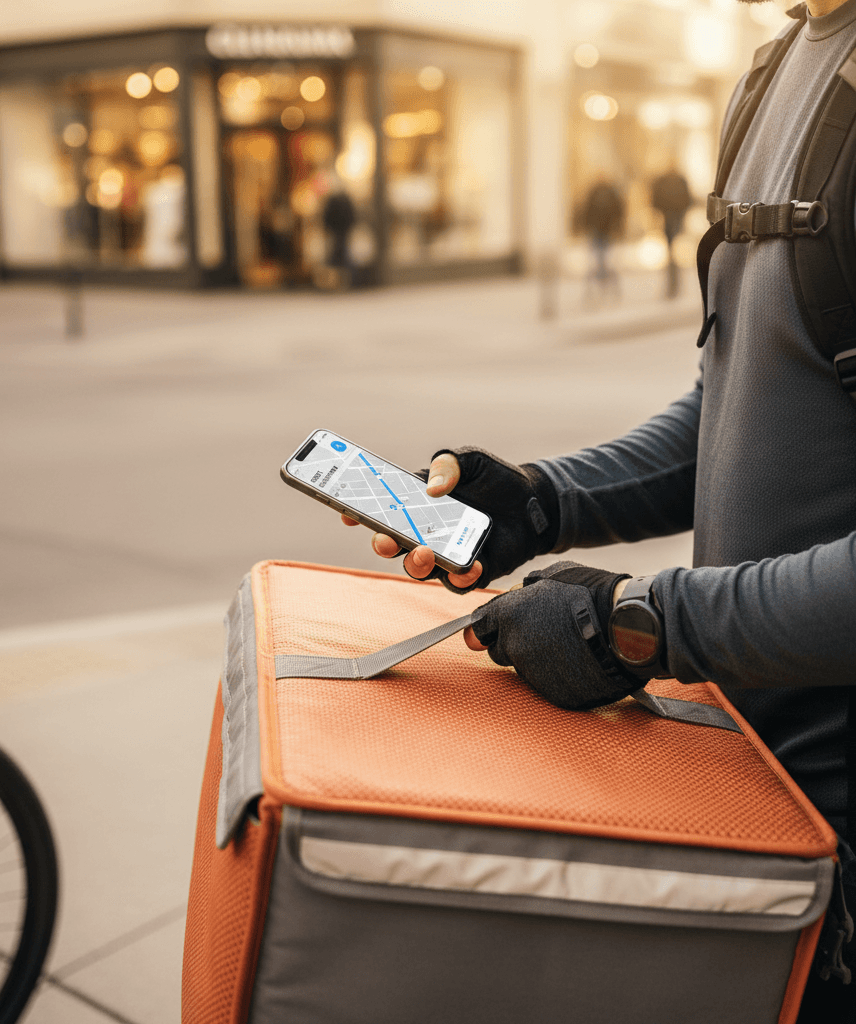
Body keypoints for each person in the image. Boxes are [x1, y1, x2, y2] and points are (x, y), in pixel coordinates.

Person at [342, 1, 856, 1018]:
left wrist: (636, 623)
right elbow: (739, 396)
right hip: (755, 802)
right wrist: (540, 502)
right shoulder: (772, 71)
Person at [579, 174, 624, 300]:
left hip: (607, 229)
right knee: (599, 257)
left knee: (604, 257)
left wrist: (617, 226)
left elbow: (618, 210)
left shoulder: (611, 192)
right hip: (596, 229)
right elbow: (587, 210)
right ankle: (601, 279)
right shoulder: (594, 192)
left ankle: (603, 279)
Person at [651, 165, 692, 298]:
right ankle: (673, 284)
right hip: (670, 219)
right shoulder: (674, 180)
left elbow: (655, 198)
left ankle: (673, 285)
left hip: (672, 218)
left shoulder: (673, 181)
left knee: (672, 253)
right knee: (672, 253)